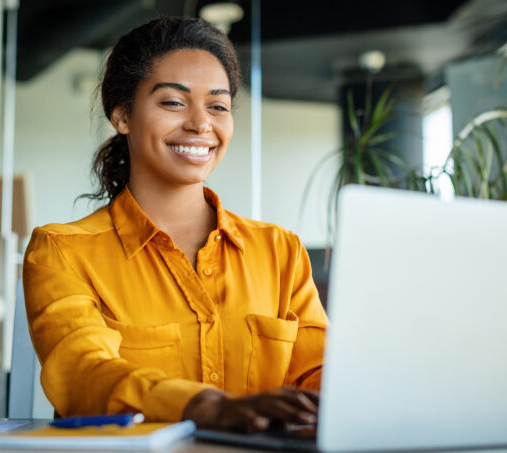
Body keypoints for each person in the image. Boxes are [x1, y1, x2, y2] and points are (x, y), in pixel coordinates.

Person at [22, 16, 328, 432]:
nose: (201, 124)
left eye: (217, 106)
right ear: (122, 115)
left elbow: (320, 374)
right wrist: (203, 407)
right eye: (173, 102)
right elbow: (82, 373)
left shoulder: (279, 251)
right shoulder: (62, 251)